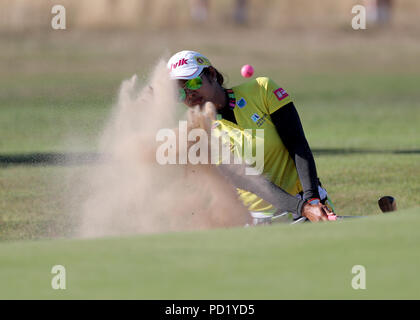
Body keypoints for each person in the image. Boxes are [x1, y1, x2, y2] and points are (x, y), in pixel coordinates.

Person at [167, 50, 336, 224]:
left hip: (308, 200)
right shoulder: (200, 136)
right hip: (260, 220)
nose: (189, 95)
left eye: (194, 83)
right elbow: (252, 182)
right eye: (180, 93)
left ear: (211, 74)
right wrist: (303, 208)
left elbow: (297, 144)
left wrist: (312, 201)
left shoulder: (262, 90)